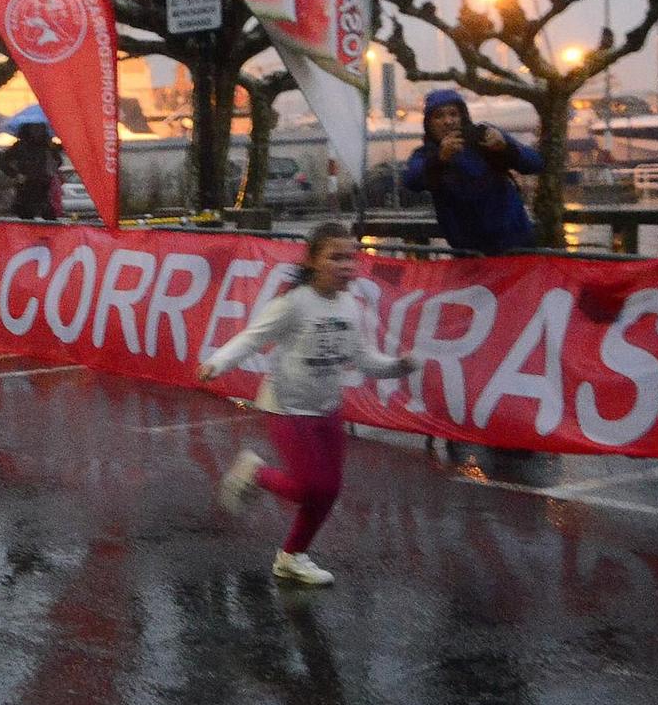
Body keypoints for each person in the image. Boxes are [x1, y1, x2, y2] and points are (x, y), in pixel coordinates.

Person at [198, 222, 415, 586]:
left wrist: (398, 366)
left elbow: (364, 360)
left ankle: (291, 557)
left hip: (327, 408)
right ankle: (255, 473)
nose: (346, 266)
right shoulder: (294, 304)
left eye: (350, 258)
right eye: (335, 258)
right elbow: (252, 338)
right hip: (288, 407)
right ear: (313, 260)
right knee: (310, 487)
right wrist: (218, 363)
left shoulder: (350, 306)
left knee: (327, 491)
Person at [400, 89, 541, 253]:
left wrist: (506, 148)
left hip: (515, 244)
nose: (448, 121)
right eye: (439, 116)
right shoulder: (425, 155)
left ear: (463, 116)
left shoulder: (484, 137)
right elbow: (411, 180)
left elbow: (535, 163)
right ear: (428, 123)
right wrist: (439, 159)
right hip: (468, 252)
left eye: (454, 114)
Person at [0, 124, 59, 221]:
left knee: (47, 211)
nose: (38, 131)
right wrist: (15, 174)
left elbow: (58, 160)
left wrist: (52, 168)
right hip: (26, 183)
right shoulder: (20, 145)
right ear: (28, 129)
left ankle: (51, 228)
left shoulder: (47, 144)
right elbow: (2, 161)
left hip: (42, 182)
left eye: (41, 128)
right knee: (25, 211)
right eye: (35, 128)